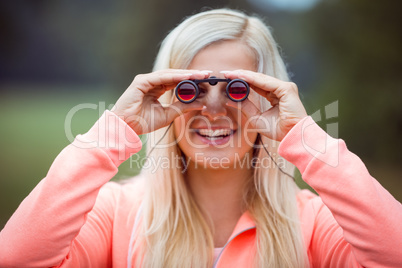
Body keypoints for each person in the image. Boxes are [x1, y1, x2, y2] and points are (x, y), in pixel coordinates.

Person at [0, 8, 401, 268]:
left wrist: (304, 137)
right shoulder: (117, 213)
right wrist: (115, 131)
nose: (212, 108)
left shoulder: (312, 224)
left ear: (271, 97)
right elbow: (16, 259)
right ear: (164, 92)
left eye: (237, 89)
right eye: (189, 89)